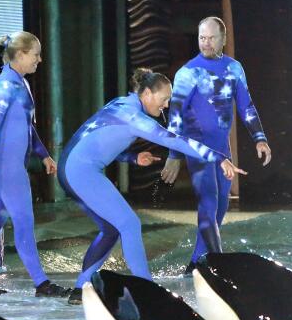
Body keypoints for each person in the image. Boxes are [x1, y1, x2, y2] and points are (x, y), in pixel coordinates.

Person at [58, 67, 244, 304]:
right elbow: (174, 140)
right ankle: (147, 290)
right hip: (80, 171)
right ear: (147, 93)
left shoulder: (122, 104)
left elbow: (97, 142)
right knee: (130, 224)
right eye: (164, 99)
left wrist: (132, 158)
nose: (166, 105)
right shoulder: (135, 118)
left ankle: (80, 289)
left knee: (112, 229)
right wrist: (219, 157)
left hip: (72, 166)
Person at [160, 16, 272, 274]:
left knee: (221, 205)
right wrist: (174, 154)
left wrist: (260, 138)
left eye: (211, 38)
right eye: (202, 38)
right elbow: (175, 115)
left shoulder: (234, 68)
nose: (206, 43)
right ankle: (218, 264)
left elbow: (246, 106)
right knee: (208, 201)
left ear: (223, 39)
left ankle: (196, 264)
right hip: (197, 147)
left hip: (222, 148)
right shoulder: (187, 73)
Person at [0, 31, 71, 297]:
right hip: (6, 169)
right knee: (24, 221)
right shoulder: (4, 86)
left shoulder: (20, 83)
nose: (40, 59)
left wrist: (44, 154)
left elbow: (27, 127)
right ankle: (41, 283)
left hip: (11, 167)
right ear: (21, 54)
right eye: (35, 55)